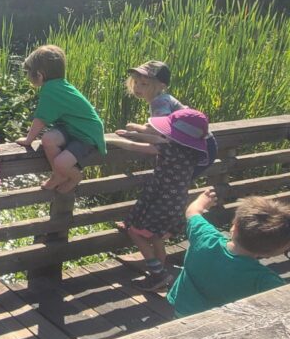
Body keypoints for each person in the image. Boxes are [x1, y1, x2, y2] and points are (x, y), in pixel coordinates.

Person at [117, 108, 212, 292]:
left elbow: (134, 147)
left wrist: (107, 140)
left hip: (160, 199)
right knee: (156, 236)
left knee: (135, 232)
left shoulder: (168, 148)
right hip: (176, 202)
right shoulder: (192, 152)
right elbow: (156, 139)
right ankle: (157, 276)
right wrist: (133, 133)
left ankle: (159, 274)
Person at [168, 187, 290, 317]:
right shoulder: (266, 280)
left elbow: (192, 212)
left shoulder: (205, 237)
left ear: (234, 226)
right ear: (273, 252)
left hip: (182, 310)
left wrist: (202, 200)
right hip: (223, 325)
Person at [15, 45, 106, 194]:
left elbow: (41, 119)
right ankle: (58, 175)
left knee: (61, 163)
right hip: (72, 128)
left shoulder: (50, 90)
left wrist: (28, 140)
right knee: (48, 139)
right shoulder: (58, 85)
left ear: (40, 74)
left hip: (85, 135)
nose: (27, 76)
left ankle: (75, 176)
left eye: (28, 73)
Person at [114, 60, 218, 177]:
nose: (137, 87)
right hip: (202, 142)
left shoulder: (159, 102)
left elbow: (163, 132)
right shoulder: (165, 98)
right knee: (180, 181)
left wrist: (137, 128)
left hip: (198, 147)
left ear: (161, 86)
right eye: (136, 82)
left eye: (144, 84)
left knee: (179, 181)